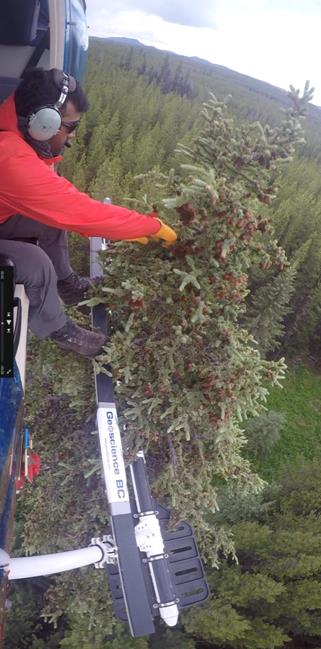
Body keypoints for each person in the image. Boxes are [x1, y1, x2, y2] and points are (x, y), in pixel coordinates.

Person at [0, 67, 177, 357]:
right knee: (34, 263)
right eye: (70, 127)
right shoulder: (8, 157)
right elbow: (81, 213)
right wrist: (149, 227)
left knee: (49, 222)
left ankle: (68, 285)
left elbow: (58, 200)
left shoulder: (11, 135)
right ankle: (60, 330)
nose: (71, 138)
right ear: (44, 123)